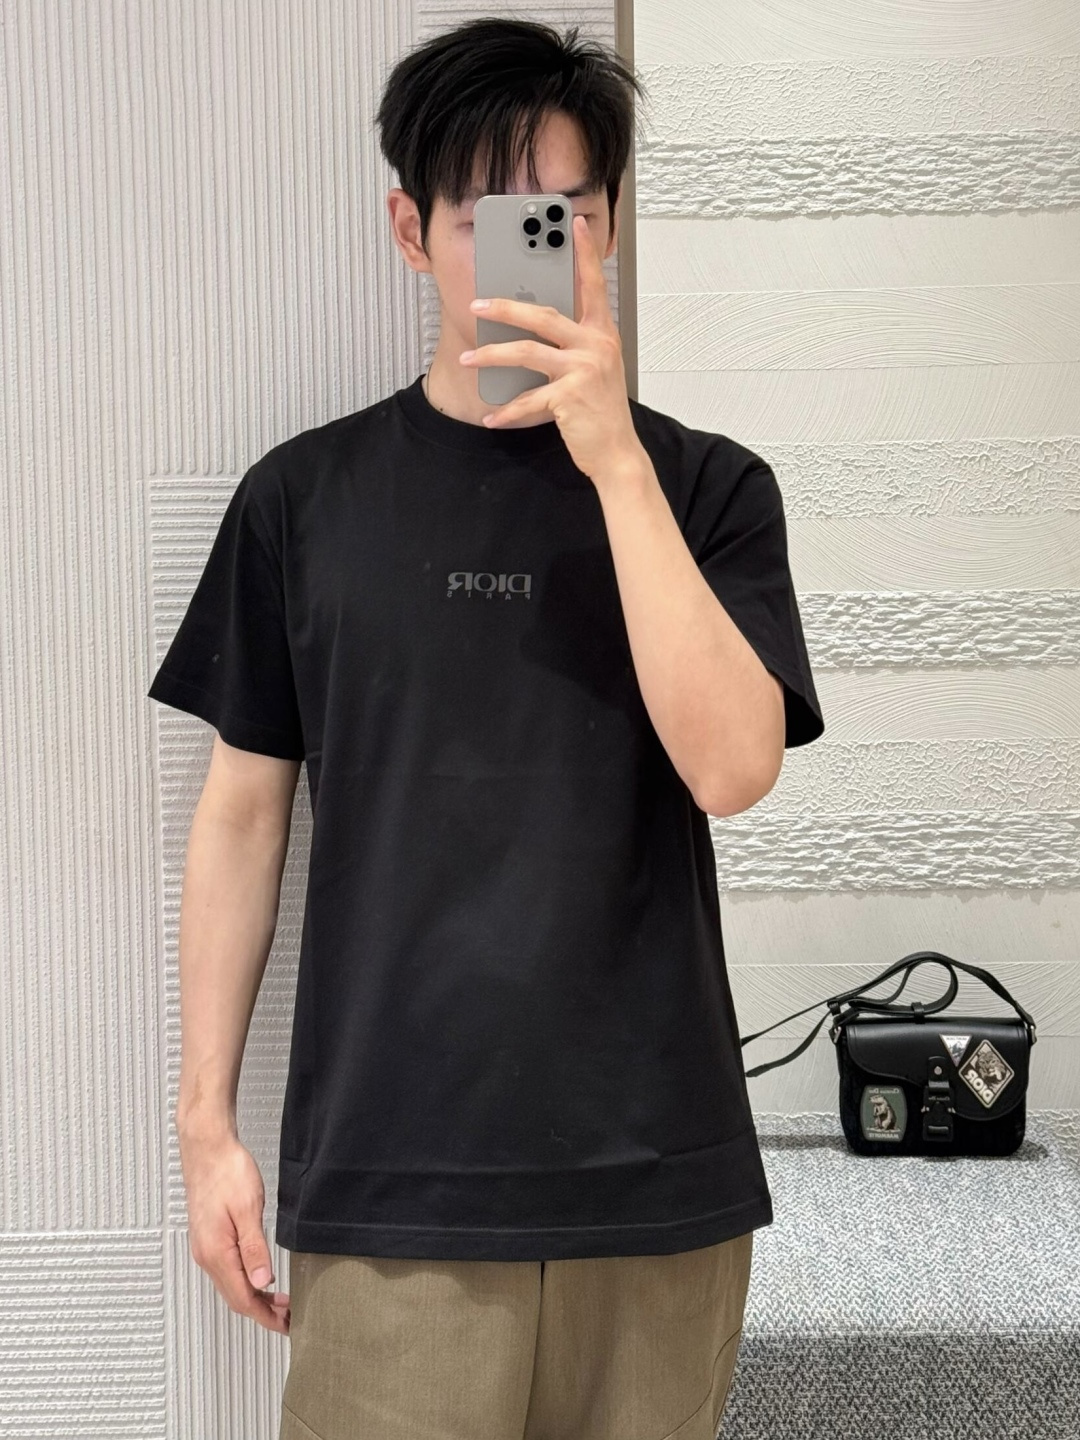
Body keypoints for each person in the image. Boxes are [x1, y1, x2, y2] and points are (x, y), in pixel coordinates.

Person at [148, 16, 825, 1440]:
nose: (535, 247)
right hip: (391, 1186)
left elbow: (733, 767)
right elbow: (241, 817)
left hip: (658, 1186)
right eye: (492, 216)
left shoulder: (709, 491)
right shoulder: (303, 502)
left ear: (610, 228)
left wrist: (614, 463)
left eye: (566, 214)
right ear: (413, 231)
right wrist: (206, 1127)